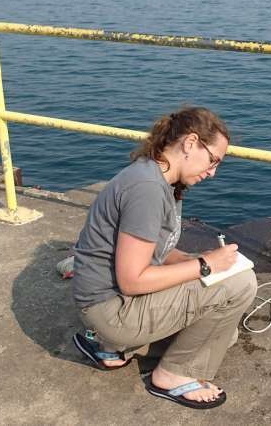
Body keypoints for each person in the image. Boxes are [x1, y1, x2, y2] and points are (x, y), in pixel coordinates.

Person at [71, 106, 258, 410]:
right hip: (113, 308)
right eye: (213, 160)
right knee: (241, 284)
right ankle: (172, 375)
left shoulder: (155, 177)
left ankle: (114, 347)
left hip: (104, 305)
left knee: (224, 333)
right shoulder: (147, 189)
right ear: (190, 143)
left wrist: (193, 258)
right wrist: (205, 266)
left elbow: (150, 249)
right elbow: (132, 280)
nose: (212, 172)